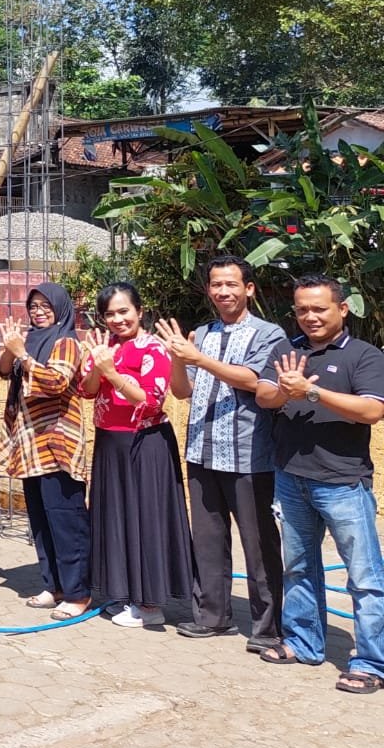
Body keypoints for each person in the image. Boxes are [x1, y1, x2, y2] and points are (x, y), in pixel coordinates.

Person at [255, 275, 384, 694]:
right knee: (298, 568)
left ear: (342, 309)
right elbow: (263, 395)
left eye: (319, 309)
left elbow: (370, 411)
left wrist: (311, 394)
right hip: (291, 477)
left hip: (343, 482)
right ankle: (303, 642)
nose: (309, 316)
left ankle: (371, 662)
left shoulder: (364, 355)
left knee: (364, 577)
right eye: (302, 310)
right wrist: (284, 391)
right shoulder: (286, 350)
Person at [155, 255, 287, 649]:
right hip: (202, 451)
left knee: (259, 545)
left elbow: (253, 380)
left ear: (249, 289)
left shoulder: (269, 334)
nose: (223, 291)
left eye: (231, 284)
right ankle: (212, 617)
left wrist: (197, 358)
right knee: (208, 541)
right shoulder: (202, 333)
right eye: (216, 284)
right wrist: (178, 360)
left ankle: (267, 628)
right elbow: (182, 390)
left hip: (249, 455)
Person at [80, 282, 194, 629]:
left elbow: (150, 401)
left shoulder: (153, 348)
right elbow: (87, 391)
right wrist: (99, 367)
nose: (117, 319)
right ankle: (126, 592)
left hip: (145, 443)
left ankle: (150, 605)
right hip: (109, 442)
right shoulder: (105, 346)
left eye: (124, 311)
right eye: (110, 314)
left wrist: (112, 373)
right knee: (117, 519)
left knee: (145, 520)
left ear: (140, 311)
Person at [0, 283, 91, 620]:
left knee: (66, 521)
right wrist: (12, 349)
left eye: (45, 306)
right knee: (40, 521)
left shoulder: (66, 342)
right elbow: (3, 371)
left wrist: (22, 354)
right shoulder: (31, 339)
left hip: (57, 446)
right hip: (29, 446)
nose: (38, 312)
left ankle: (79, 592)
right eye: (34, 306)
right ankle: (54, 586)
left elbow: (55, 382)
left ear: (61, 308)